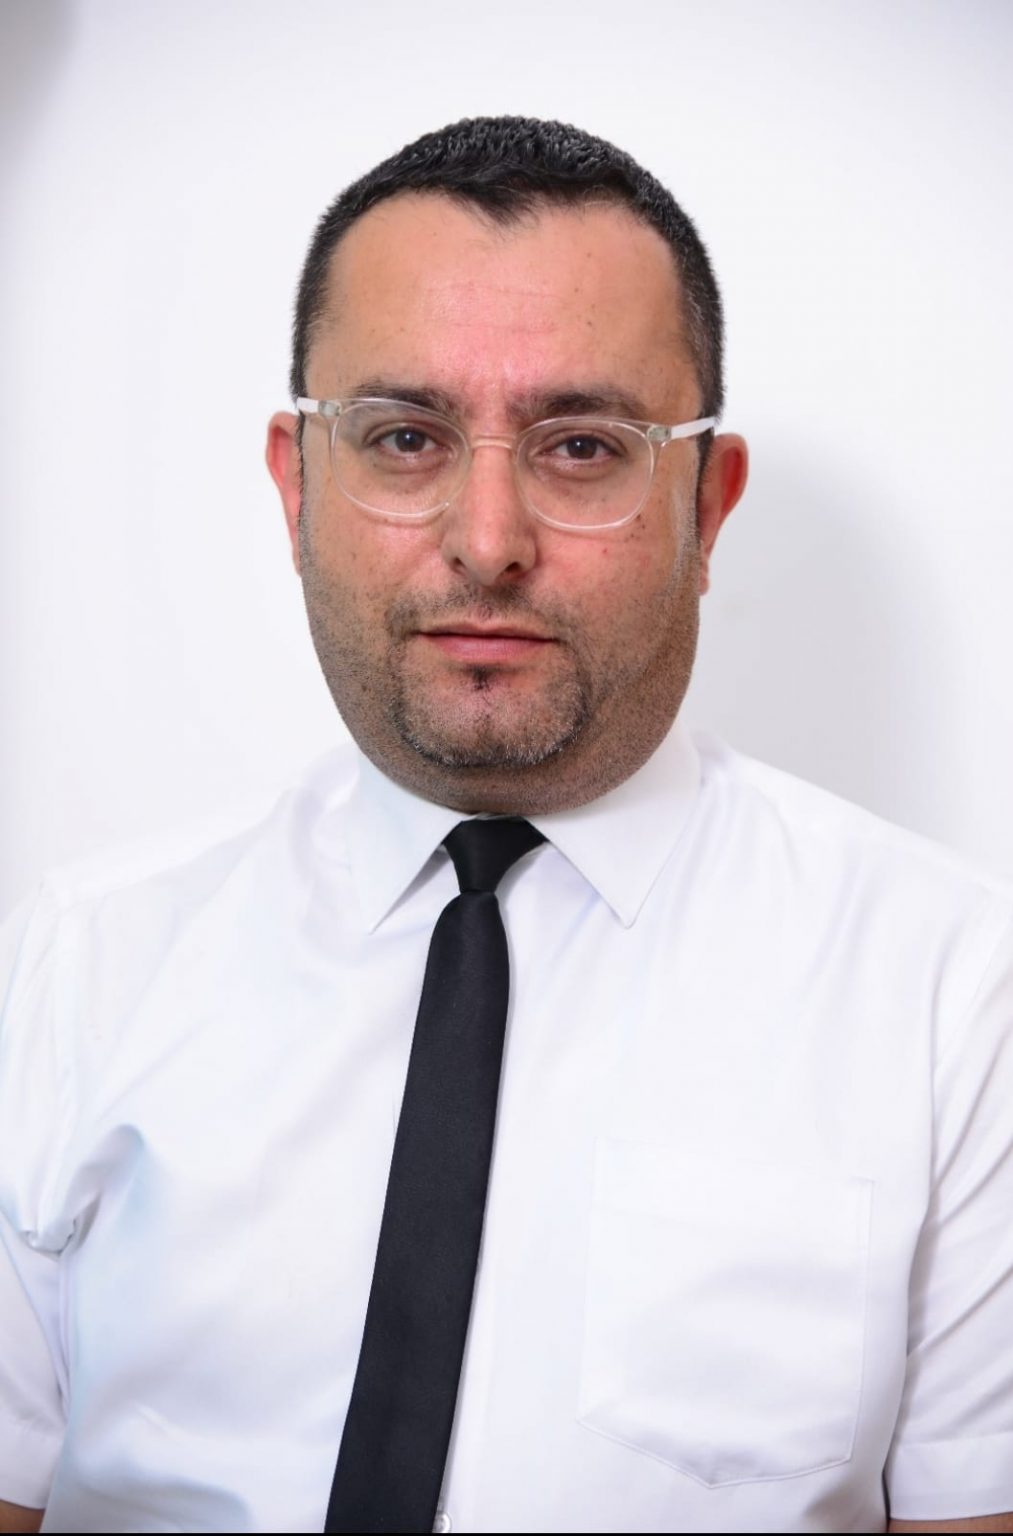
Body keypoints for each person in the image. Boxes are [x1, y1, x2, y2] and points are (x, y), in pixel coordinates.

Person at [1, 116, 1011, 1536]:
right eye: (404, 439)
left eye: (583, 447)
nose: (487, 540)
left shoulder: (954, 998)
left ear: (706, 505)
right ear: (297, 486)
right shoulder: (80, 964)